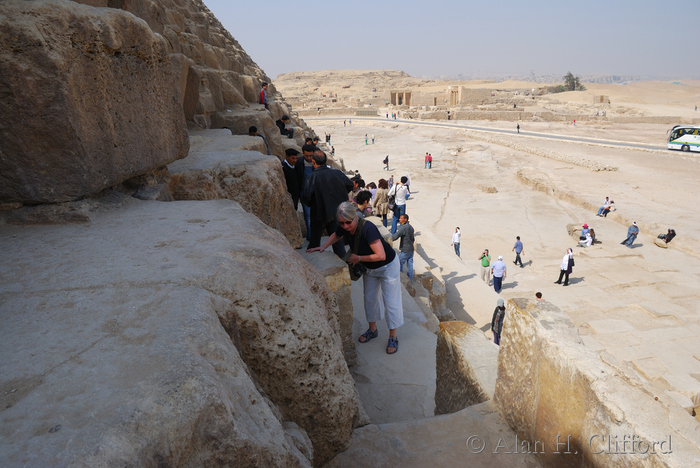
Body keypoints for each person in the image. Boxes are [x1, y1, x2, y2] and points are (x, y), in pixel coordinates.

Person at [308, 202, 403, 354]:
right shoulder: (344, 225)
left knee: (391, 301)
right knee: (370, 298)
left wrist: (358, 258)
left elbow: (381, 255)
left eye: (348, 222)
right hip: (370, 267)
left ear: (355, 218)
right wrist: (322, 247)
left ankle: (393, 336)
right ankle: (373, 330)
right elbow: (336, 235)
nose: (345, 226)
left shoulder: (368, 228)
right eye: (342, 223)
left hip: (387, 266)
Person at [301, 149, 353, 258]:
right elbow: (350, 185)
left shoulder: (312, 177)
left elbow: (306, 197)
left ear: (314, 162)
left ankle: (313, 266)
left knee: (314, 241)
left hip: (318, 214)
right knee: (338, 242)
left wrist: (315, 203)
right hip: (337, 213)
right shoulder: (337, 173)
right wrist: (340, 195)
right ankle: (343, 265)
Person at [392, 214, 415, 283]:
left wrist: (387, 239)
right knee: (410, 265)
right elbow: (413, 239)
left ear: (405, 219)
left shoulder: (403, 228)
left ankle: (401, 279)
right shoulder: (411, 227)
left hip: (405, 250)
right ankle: (410, 280)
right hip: (411, 249)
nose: (399, 219)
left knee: (399, 263)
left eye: (401, 218)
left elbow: (395, 237)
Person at [300, 144, 316, 240]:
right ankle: (311, 237)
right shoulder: (299, 163)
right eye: (306, 156)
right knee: (308, 217)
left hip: (316, 194)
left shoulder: (317, 162)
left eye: (311, 156)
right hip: (305, 195)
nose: (309, 158)